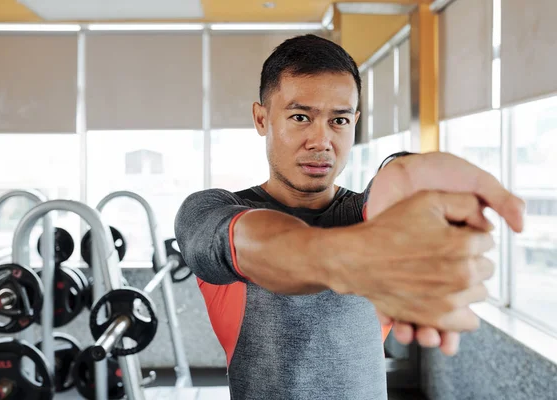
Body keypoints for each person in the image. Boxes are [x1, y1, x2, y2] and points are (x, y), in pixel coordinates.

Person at [174, 34, 524, 400]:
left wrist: (403, 169)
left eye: (339, 121)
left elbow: (391, 194)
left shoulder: (373, 215)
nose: (321, 141)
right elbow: (244, 242)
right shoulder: (209, 210)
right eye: (299, 117)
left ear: (354, 122)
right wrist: (350, 257)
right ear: (261, 118)